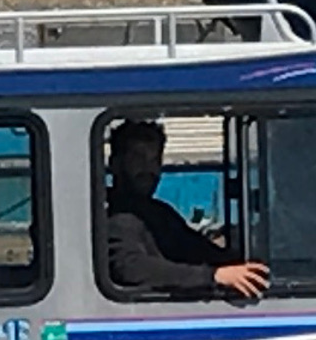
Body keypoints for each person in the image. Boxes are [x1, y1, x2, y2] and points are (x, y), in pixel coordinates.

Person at [99, 119, 269, 301]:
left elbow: (196, 249)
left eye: (154, 160)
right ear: (115, 163)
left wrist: (242, 262)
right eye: (138, 158)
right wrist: (213, 276)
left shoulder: (160, 213)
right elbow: (130, 268)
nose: (148, 169)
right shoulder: (116, 215)